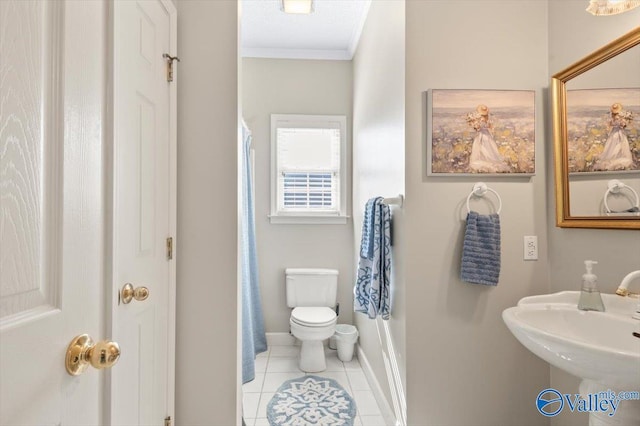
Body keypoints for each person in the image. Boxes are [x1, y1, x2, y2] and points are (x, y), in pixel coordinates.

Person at [466, 104, 509, 173]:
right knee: (489, 148)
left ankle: (483, 160)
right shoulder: (487, 119)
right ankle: (488, 160)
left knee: (482, 148)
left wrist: (475, 125)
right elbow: (490, 127)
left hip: (482, 134)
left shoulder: (480, 119)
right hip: (487, 134)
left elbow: (478, 128)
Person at [594, 103, 634, 171]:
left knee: (612, 146)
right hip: (618, 133)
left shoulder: (613, 118)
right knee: (618, 145)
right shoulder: (619, 117)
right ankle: (617, 158)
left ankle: (614, 158)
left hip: (614, 133)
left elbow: (610, 125)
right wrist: (624, 123)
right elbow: (622, 125)